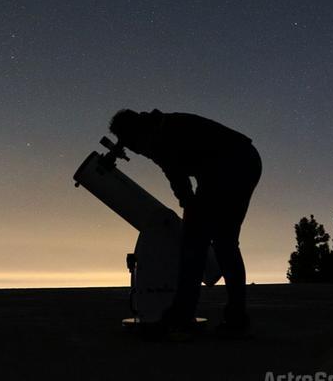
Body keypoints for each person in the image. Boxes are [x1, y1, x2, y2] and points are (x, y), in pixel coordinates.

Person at [108, 109, 261, 337]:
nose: (135, 151)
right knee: (223, 242)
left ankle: (182, 317)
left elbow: (176, 176)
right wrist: (190, 206)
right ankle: (233, 318)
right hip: (240, 162)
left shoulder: (160, 136)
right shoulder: (157, 126)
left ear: (134, 133)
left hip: (230, 166)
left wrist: (189, 205)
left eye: (131, 145)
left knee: (201, 243)